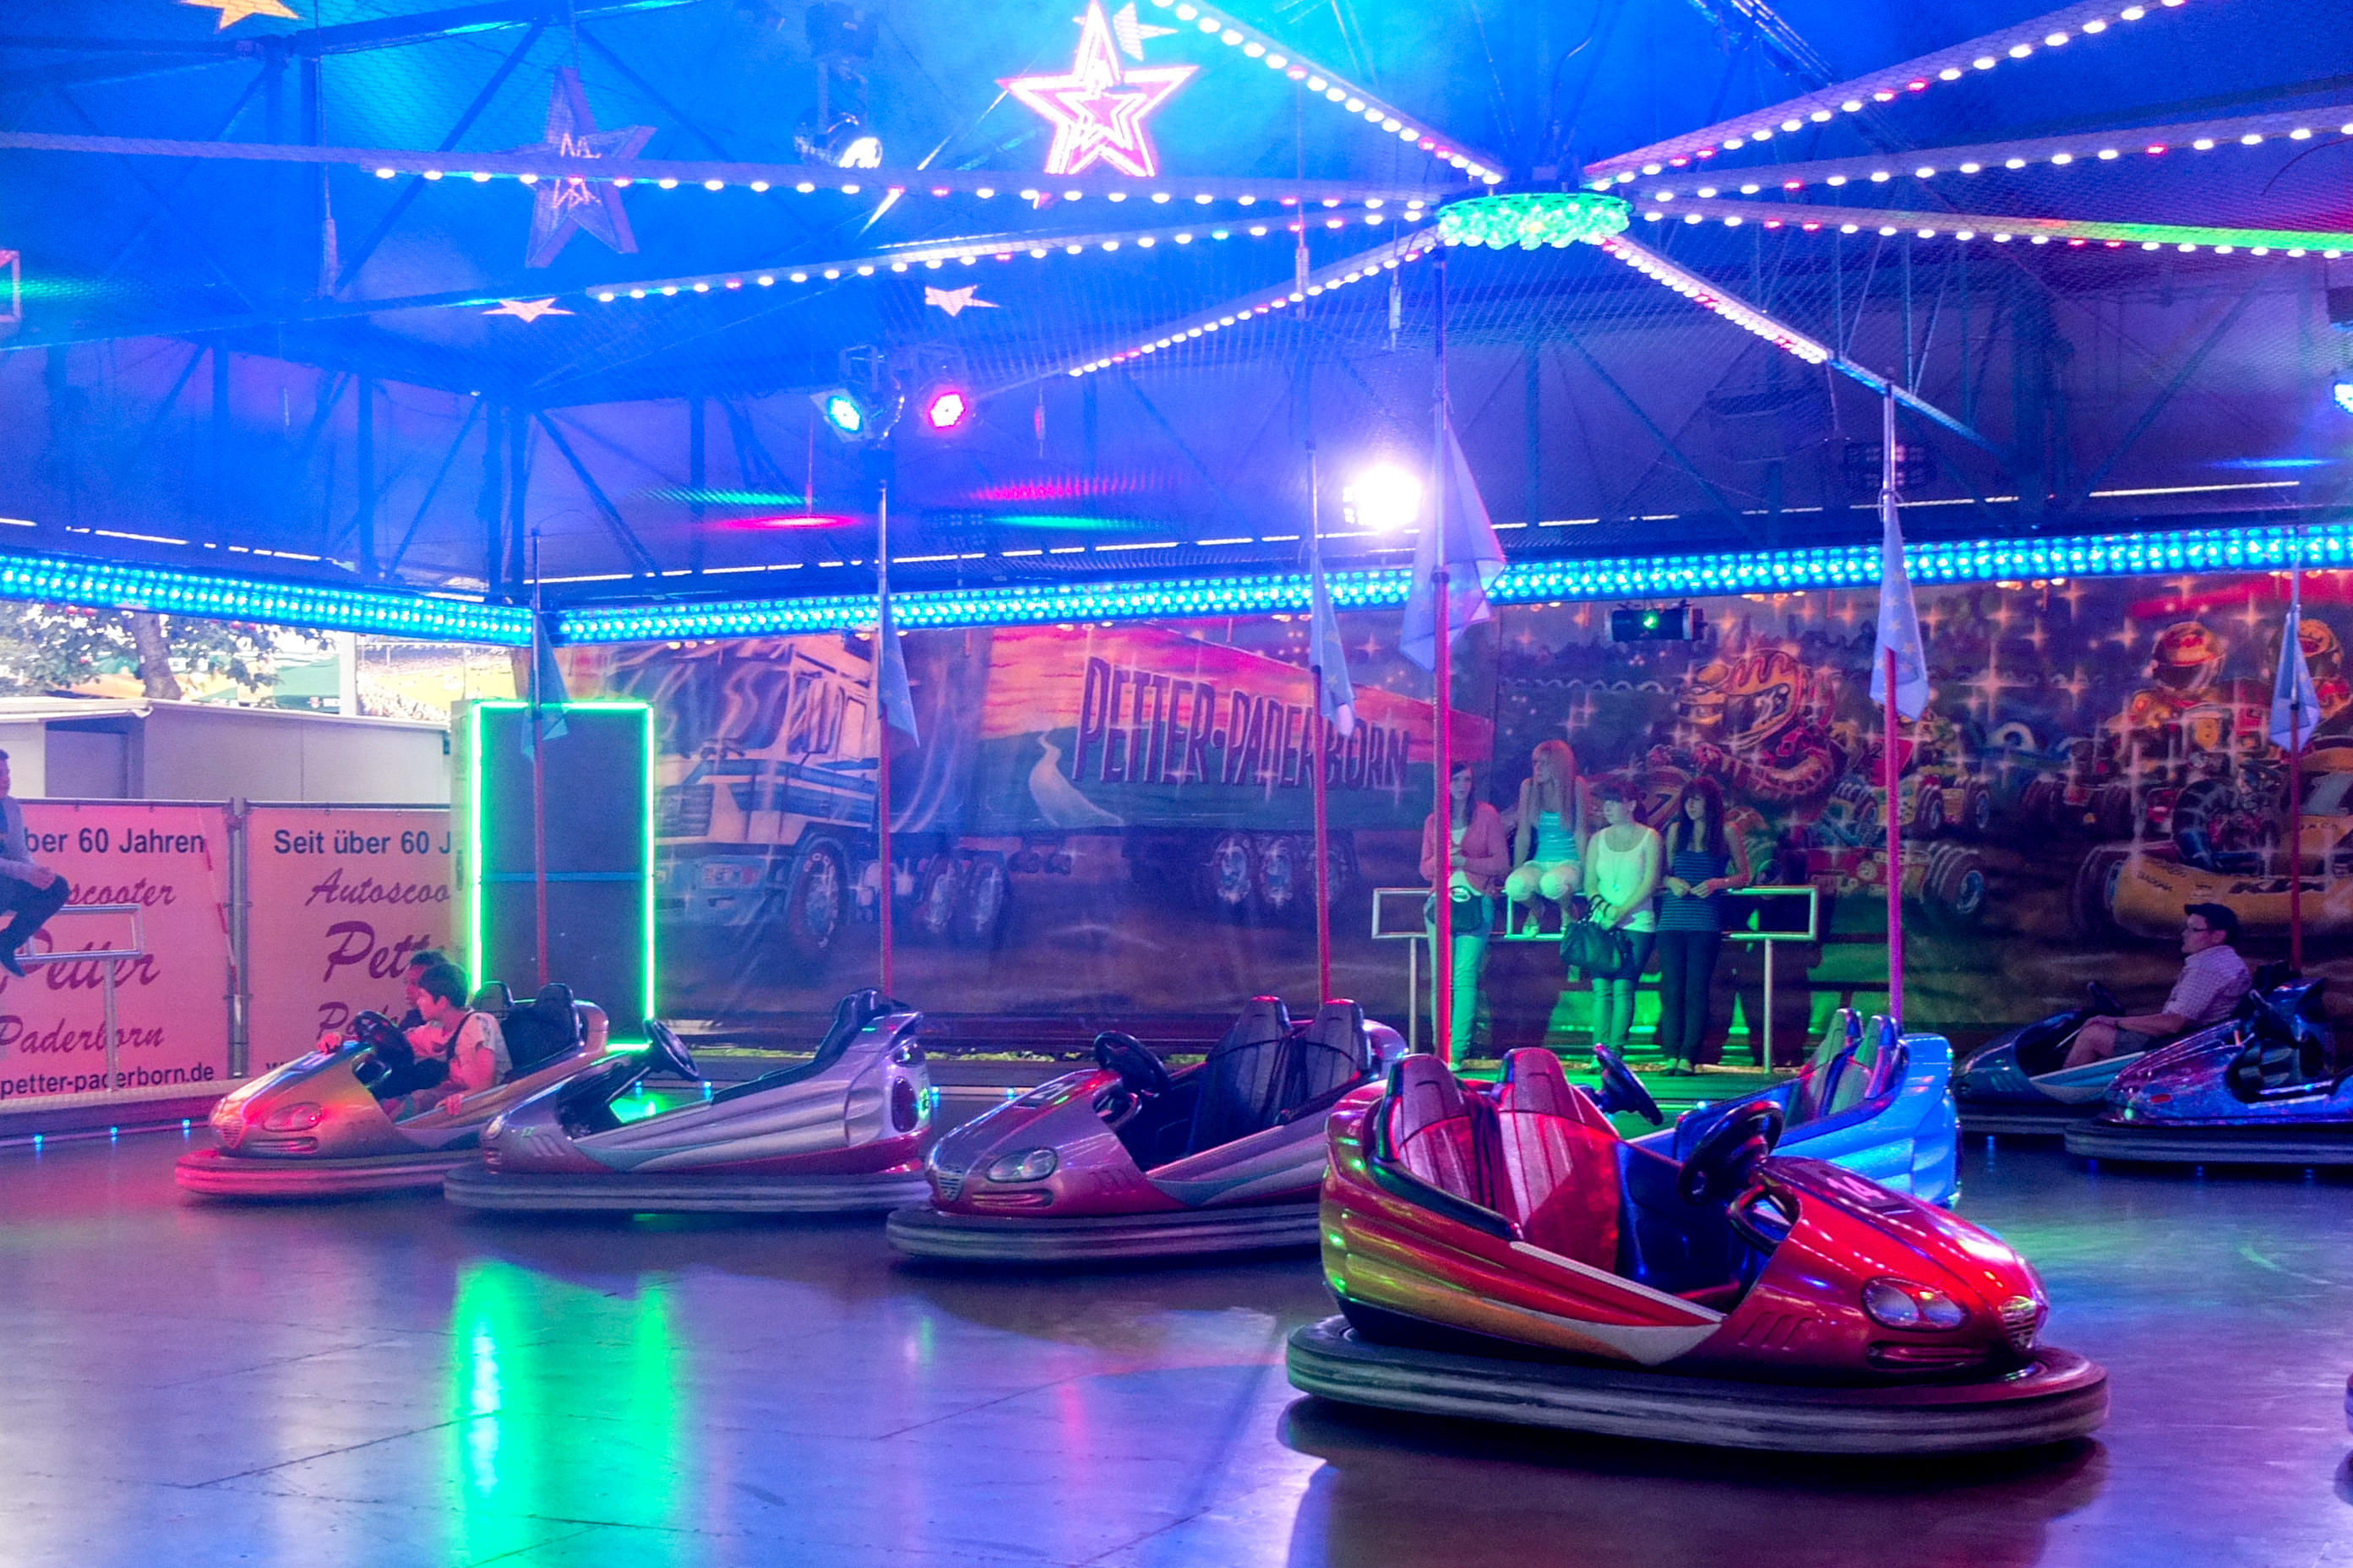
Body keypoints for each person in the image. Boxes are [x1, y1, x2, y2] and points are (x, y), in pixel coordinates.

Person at [2062, 903, 2252, 1070]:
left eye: (2193, 930)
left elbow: (2173, 1024)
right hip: (2193, 1039)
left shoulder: (2208, 967)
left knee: (2093, 1034)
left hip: (2177, 1047)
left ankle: (2060, 1093)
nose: (2184, 934)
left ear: (2218, 936)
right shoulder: (2226, 961)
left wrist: (2114, 1021)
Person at [1653, 777, 1751, 1073]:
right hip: (1671, 921)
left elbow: (1744, 875)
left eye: (1696, 799)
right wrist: (1671, 881)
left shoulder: (1727, 831)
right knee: (1671, 988)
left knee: (1696, 988)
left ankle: (1688, 1055)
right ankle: (1671, 1053)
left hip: (1705, 921)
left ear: (1710, 802)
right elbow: (1662, 873)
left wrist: (1716, 883)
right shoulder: (1676, 831)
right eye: (1687, 800)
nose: (1691, 806)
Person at [1422, 760, 1509, 1060]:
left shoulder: (1486, 815)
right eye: (1456, 780)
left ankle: (1457, 1053)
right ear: (1445, 784)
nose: (1461, 785)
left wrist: (1464, 862)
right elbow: (1425, 868)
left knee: (1463, 976)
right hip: (1441, 902)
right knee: (1441, 978)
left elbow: (1501, 863)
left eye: (1467, 780)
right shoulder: (1434, 820)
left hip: (1475, 901)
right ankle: (1441, 1051)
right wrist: (1443, 861)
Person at [1582, 778, 1661, 1054]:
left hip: (1637, 923)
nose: (1607, 807)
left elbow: (1650, 882)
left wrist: (1622, 911)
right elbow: (1589, 883)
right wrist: (1605, 909)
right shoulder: (1597, 840)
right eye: (1605, 802)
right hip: (1602, 923)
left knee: (1623, 988)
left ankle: (1615, 1053)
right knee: (1601, 989)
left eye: (1614, 802)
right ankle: (1598, 1052)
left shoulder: (1650, 837)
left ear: (1631, 805)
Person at [379, 961, 509, 1119]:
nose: (418, 1002)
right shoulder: (436, 1029)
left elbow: (488, 1084)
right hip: (457, 1094)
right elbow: (401, 1040)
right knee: (394, 1096)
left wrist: (462, 1096)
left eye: (423, 996)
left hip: (486, 1105)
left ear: (442, 1002)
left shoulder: (478, 1023)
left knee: (418, 1101)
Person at [0, 751, 69, 980]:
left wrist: (36, 873)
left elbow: (19, 852)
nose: (6, 779)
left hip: (6, 882)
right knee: (5, 886)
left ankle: (6, 943)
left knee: (56, 887)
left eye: (7, 773)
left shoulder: (10, 806)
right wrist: (25, 872)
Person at [1504, 739, 1584, 934]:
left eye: (1544, 763)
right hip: (1540, 861)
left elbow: (1581, 832)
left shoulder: (1576, 785)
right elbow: (1523, 835)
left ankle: (1568, 909)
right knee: (1514, 885)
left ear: (1559, 764)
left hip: (1569, 861)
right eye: (1535, 763)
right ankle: (1537, 909)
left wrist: (1586, 872)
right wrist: (1516, 870)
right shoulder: (1528, 786)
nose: (1537, 768)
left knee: (1552, 883)